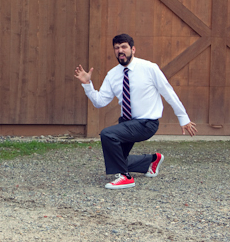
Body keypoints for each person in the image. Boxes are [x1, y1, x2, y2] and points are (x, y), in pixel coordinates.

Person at [74, 33, 198, 189]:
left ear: (133, 49)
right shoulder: (112, 75)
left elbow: (168, 92)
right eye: (117, 48)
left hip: (147, 123)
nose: (120, 50)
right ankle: (152, 160)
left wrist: (183, 118)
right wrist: (87, 84)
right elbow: (100, 102)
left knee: (107, 134)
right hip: (127, 123)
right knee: (119, 159)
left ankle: (126, 178)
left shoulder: (149, 68)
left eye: (124, 47)